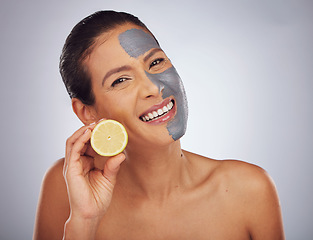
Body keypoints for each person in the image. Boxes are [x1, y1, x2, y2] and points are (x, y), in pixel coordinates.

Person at [33, 10, 285, 240]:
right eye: (121, 80)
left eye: (155, 62)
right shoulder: (67, 185)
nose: (154, 87)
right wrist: (84, 221)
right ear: (86, 112)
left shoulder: (250, 191)